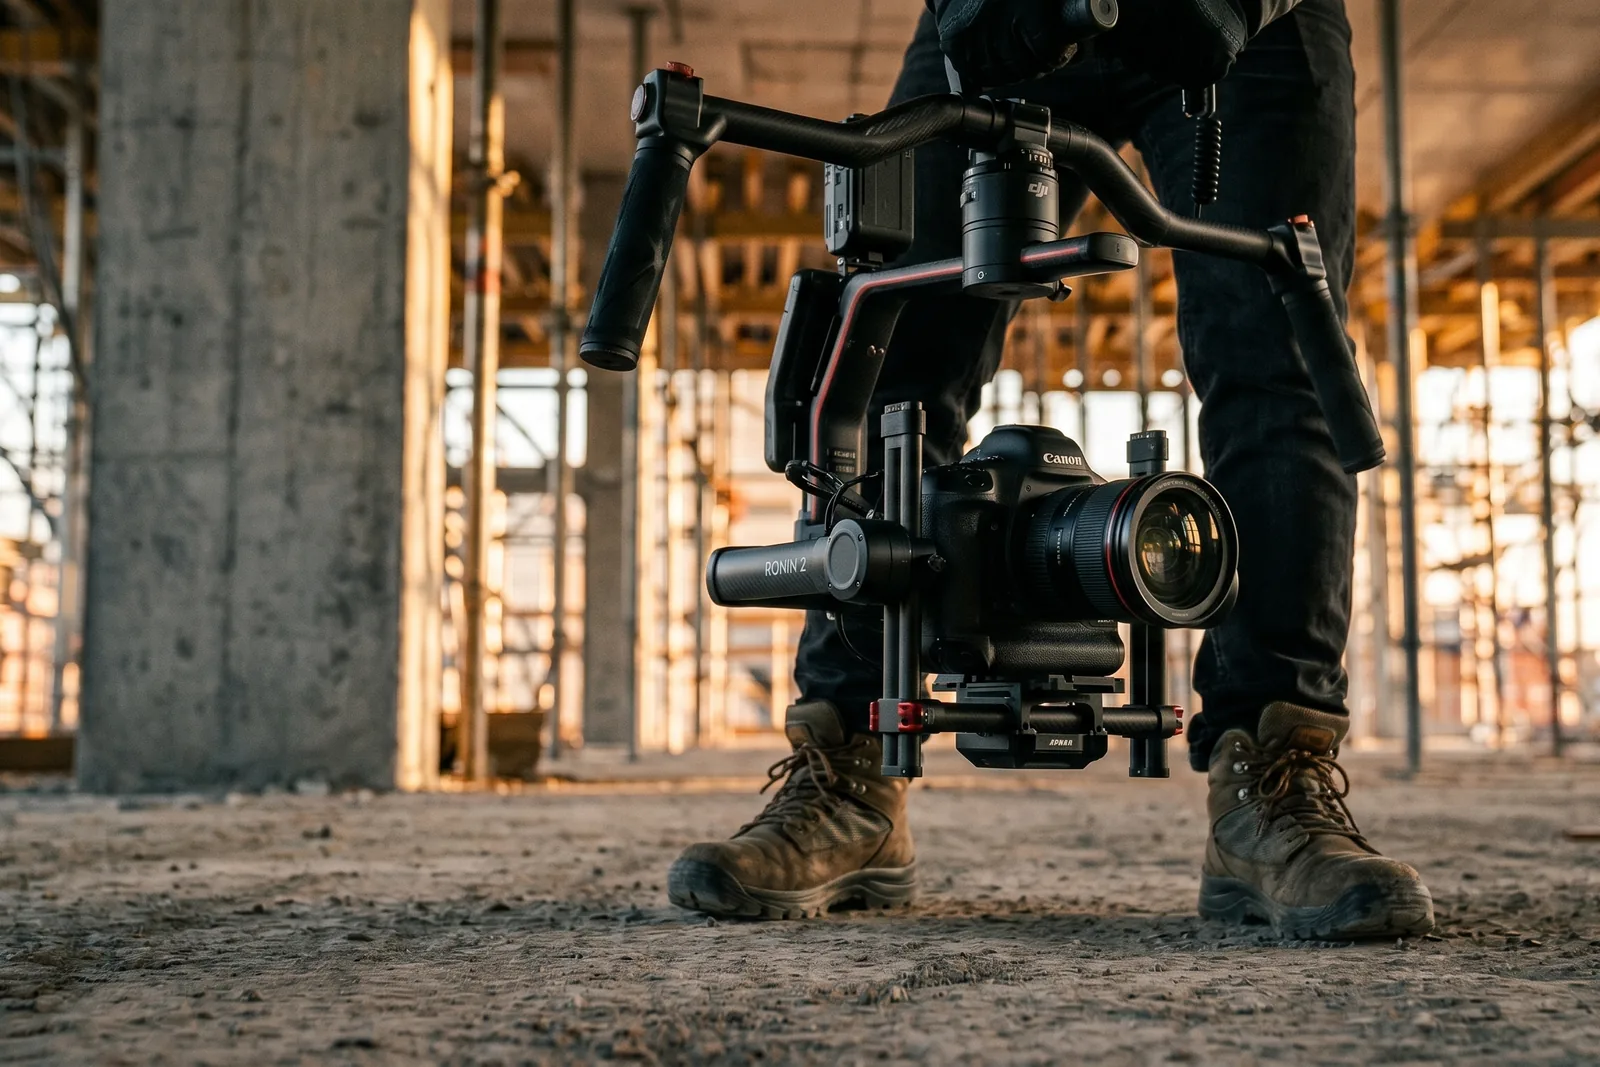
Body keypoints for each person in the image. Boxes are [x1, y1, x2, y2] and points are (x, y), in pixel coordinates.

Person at [668, 0, 1435, 940]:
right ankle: (848, 771)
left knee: (1281, 355)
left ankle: (1272, 776)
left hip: (1257, 27)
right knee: (888, 337)